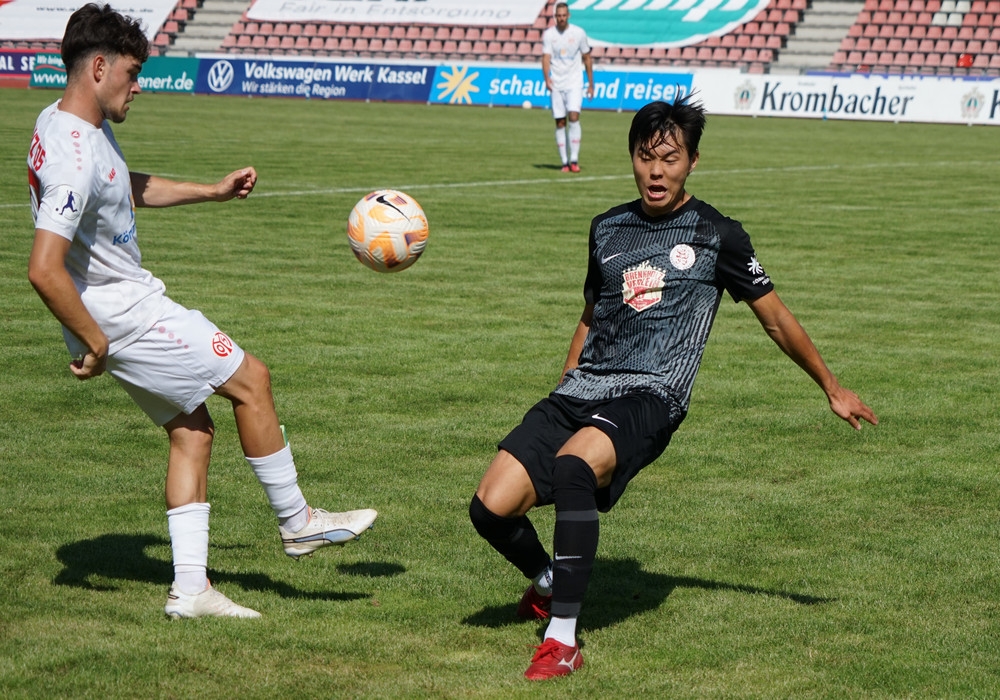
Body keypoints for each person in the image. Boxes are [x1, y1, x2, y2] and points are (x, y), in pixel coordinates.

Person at [469, 98, 878, 681]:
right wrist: (565, 381)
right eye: (644, 157)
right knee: (489, 507)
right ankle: (550, 576)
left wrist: (831, 387)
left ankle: (562, 638)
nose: (655, 171)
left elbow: (776, 319)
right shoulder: (607, 226)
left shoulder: (717, 234)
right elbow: (591, 313)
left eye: (669, 158)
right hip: (584, 387)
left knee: (573, 470)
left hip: (652, 395)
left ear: (691, 162)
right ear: (632, 159)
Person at [27, 3, 377, 619]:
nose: (139, 88)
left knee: (192, 431)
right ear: (100, 67)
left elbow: (122, 184)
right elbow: (43, 267)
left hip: (112, 311)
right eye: (133, 74)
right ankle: (298, 523)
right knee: (253, 381)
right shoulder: (74, 157)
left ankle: (191, 591)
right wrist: (95, 338)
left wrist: (209, 191)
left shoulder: (65, 123)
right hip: (126, 313)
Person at [541, 2, 594, 173]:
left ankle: (574, 159)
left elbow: (587, 58)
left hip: (574, 82)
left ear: (568, 15)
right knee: (560, 121)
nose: (561, 18)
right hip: (557, 82)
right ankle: (564, 161)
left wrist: (591, 83)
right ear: (555, 16)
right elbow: (546, 58)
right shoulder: (549, 35)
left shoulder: (578, 33)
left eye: (564, 15)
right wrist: (547, 78)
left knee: (573, 116)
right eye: (559, 15)